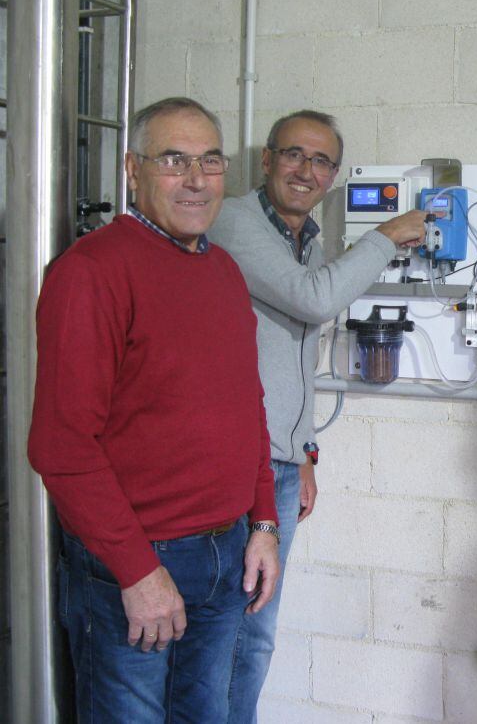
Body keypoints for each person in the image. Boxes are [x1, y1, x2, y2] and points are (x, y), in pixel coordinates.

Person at [28, 97, 280, 722]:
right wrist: (138, 572)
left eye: (210, 160)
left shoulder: (222, 270)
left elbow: (248, 405)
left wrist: (264, 524)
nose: (196, 179)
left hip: (227, 558)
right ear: (132, 170)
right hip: (137, 562)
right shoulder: (92, 273)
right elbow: (63, 449)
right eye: (174, 160)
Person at [207, 109, 427, 722]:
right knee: (225, 632)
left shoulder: (307, 240)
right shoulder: (234, 221)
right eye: (293, 155)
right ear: (266, 161)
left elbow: (294, 356)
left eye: (321, 161)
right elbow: (316, 299)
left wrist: (304, 453)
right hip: (236, 469)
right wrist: (387, 236)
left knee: (255, 631)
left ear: (333, 175)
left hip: (278, 465)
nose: (306, 171)